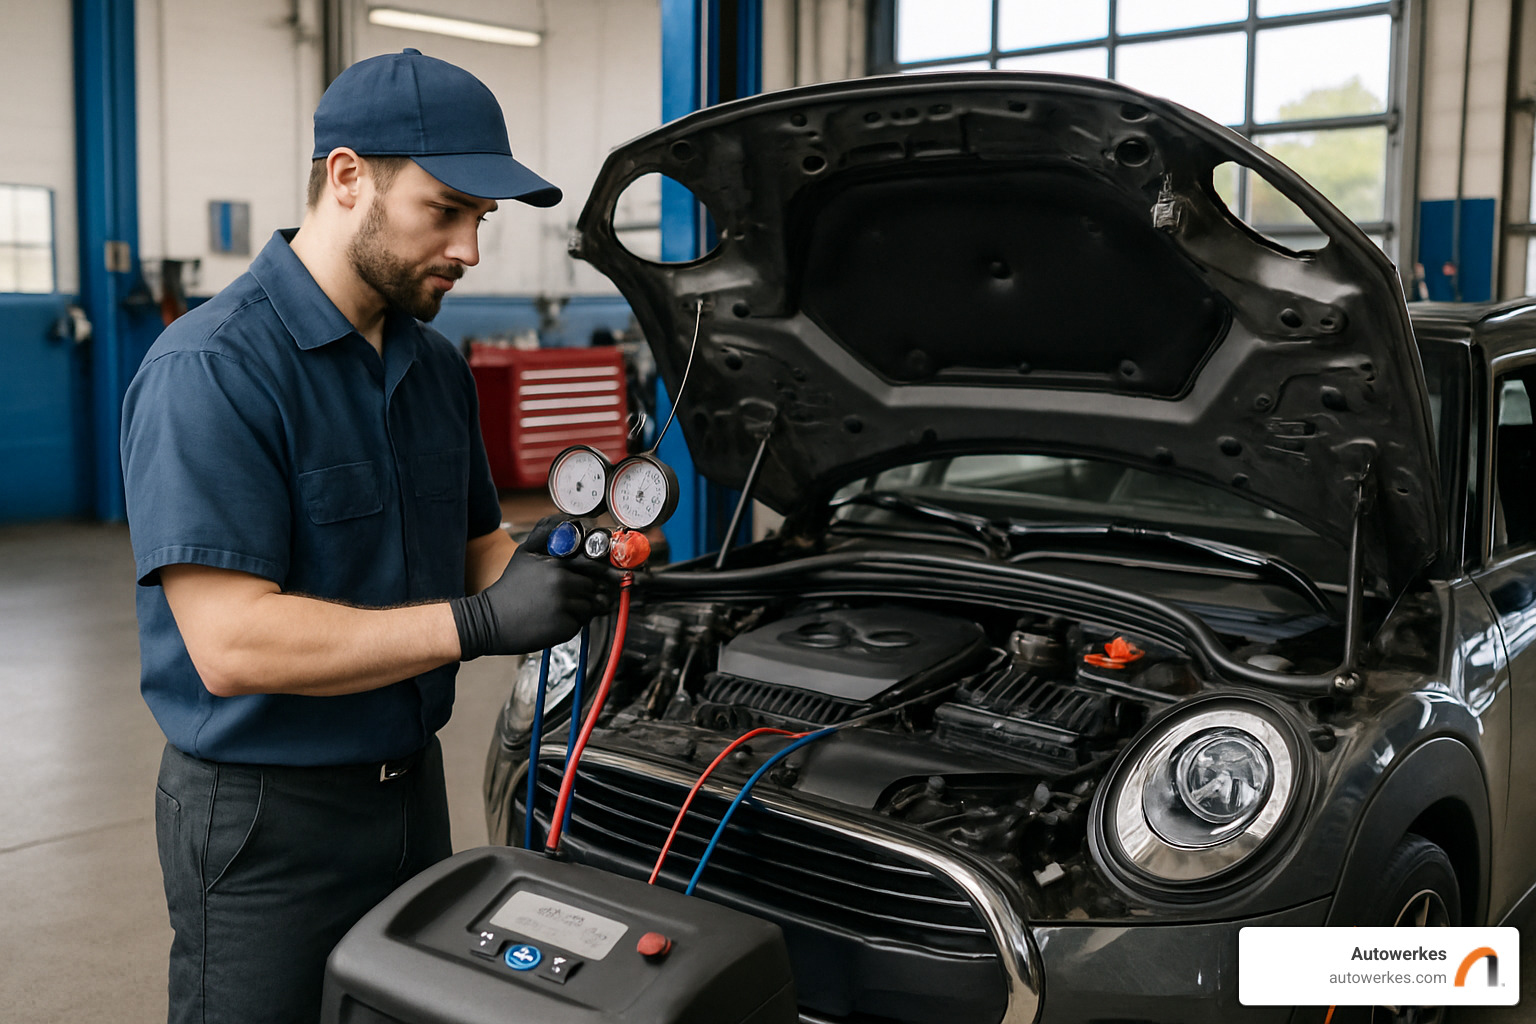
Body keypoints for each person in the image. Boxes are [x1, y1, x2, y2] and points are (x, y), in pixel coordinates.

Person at [119, 49, 616, 1024]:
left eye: (484, 220)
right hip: (267, 815)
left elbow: (468, 548)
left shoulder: (433, 369)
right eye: (447, 210)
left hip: (408, 796)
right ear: (349, 178)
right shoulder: (213, 369)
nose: (471, 249)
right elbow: (232, 643)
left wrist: (551, 557)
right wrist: (480, 620)